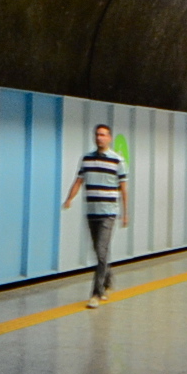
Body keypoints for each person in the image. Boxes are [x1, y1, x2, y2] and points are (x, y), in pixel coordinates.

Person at [59, 122, 128, 306]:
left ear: (109, 138)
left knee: (101, 251)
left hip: (108, 213)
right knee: (99, 251)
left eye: (104, 134)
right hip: (92, 212)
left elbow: (123, 189)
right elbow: (79, 180)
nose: (100, 137)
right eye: (97, 134)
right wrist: (69, 199)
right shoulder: (86, 159)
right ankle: (108, 279)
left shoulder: (117, 161)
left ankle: (96, 293)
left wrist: (125, 213)